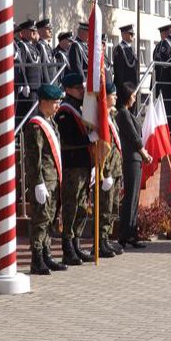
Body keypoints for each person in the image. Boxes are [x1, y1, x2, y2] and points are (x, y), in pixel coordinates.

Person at [24, 83, 68, 275]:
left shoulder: (51, 122)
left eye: (59, 102)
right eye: (55, 102)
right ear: (43, 102)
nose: (58, 106)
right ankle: (37, 259)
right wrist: (37, 183)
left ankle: (47, 255)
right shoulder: (36, 126)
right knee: (40, 220)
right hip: (43, 181)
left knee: (49, 220)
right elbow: (35, 158)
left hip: (53, 180)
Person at [55, 73, 98, 265]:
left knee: (81, 206)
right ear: (68, 89)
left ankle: (76, 243)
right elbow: (68, 139)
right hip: (72, 165)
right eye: (78, 88)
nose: (82, 91)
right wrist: (89, 139)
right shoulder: (64, 111)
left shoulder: (78, 109)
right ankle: (67, 248)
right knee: (71, 207)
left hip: (83, 163)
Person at [116, 82, 152, 249]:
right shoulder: (122, 114)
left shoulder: (127, 113)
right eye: (132, 95)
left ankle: (130, 231)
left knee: (134, 197)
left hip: (135, 158)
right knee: (131, 196)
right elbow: (133, 136)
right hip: (131, 158)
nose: (134, 98)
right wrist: (144, 153)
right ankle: (127, 233)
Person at [98, 81, 124, 257]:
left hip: (116, 170)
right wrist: (105, 172)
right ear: (104, 97)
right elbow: (102, 147)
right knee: (105, 207)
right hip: (107, 171)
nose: (115, 97)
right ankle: (100, 242)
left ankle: (106, 238)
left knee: (113, 207)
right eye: (112, 94)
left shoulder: (111, 117)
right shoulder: (101, 119)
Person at [17, 19, 42, 120]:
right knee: (29, 115)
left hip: (37, 86)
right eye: (31, 30)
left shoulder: (33, 47)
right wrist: (24, 83)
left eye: (35, 31)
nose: (34, 32)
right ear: (23, 32)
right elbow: (21, 66)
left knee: (36, 114)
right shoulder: (22, 46)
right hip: (29, 87)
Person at [113, 24, 139, 91]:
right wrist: (122, 88)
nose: (133, 36)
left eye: (133, 34)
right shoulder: (119, 49)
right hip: (124, 87)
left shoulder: (132, 49)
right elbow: (119, 71)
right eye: (131, 34)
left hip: (133, 85)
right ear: (123, 34)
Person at [36, 18, 57, 83]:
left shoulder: (48, 46)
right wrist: (48, 84)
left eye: (51, 29)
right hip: (48, 82)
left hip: (54, 80)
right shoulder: (40, 45)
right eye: (48, 29)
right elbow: (43, 67)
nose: (51, 31)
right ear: (40, 31)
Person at [152, 24, 171, 92]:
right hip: (163, 78)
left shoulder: (158, 45)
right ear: (164, 33)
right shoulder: (165, 45)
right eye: (168, 32)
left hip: (157, 78)